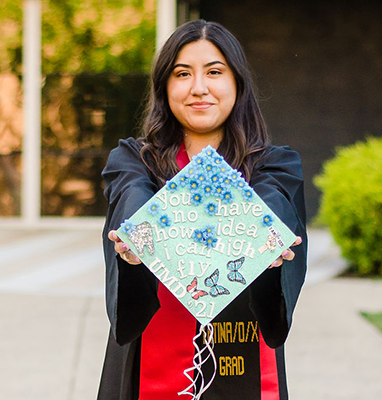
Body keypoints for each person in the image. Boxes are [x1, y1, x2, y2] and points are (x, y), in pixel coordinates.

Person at [98, 19, 307, 400]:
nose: (199, 88)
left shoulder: (274, 167)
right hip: (150, 363)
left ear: (237, 83)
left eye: (214, 72)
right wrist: (135, 241)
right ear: (165, 86)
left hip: (244, 362)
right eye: (182, 73)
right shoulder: (133, 160)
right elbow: (134, 202)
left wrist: (271, 245)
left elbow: (271, 209)